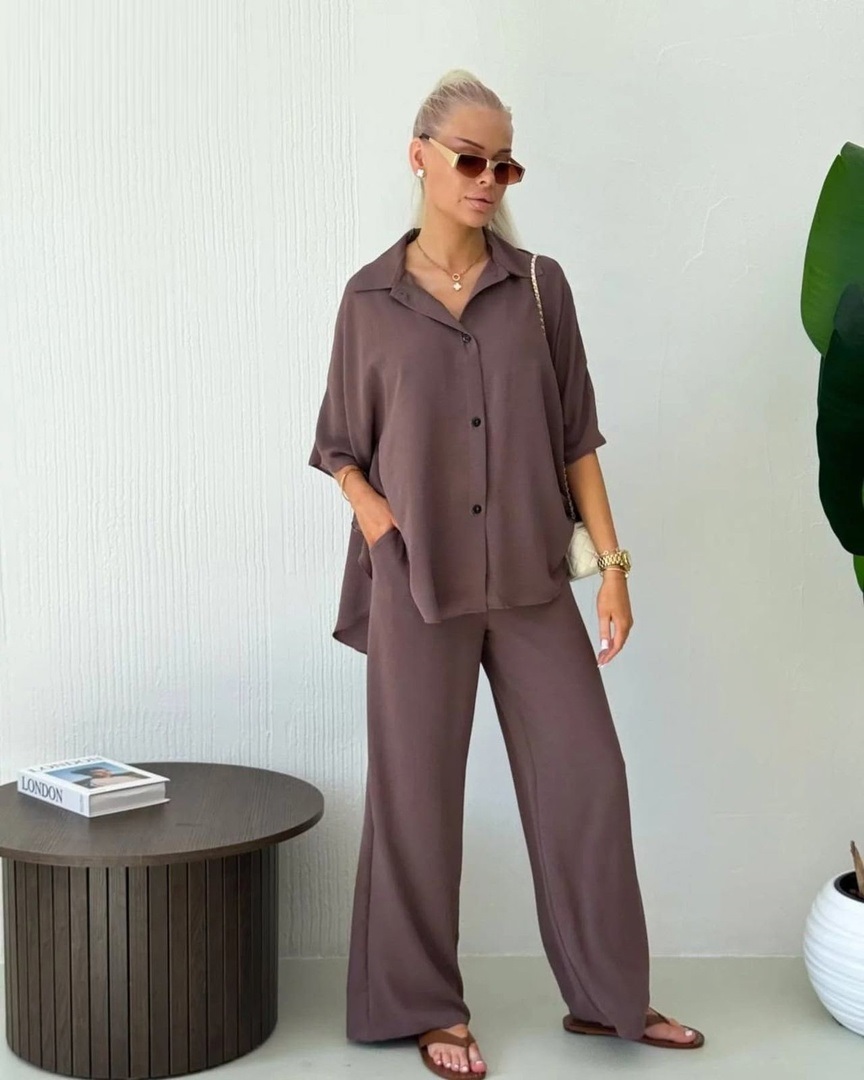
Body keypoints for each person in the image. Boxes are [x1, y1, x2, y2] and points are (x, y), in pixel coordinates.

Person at [309, 69, 704, 1080]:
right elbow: (339, 444)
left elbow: (578, 438)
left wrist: (611, 567)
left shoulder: (538, 288)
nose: (489, 179)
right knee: (414, 799)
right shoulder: (370, 299)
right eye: (471, 160)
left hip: (531, 577)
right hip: (418, 582)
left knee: (587, 780)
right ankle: (425, 1008)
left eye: (506, 164)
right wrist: (382, 525)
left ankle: (609, 999)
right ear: (421, 158)